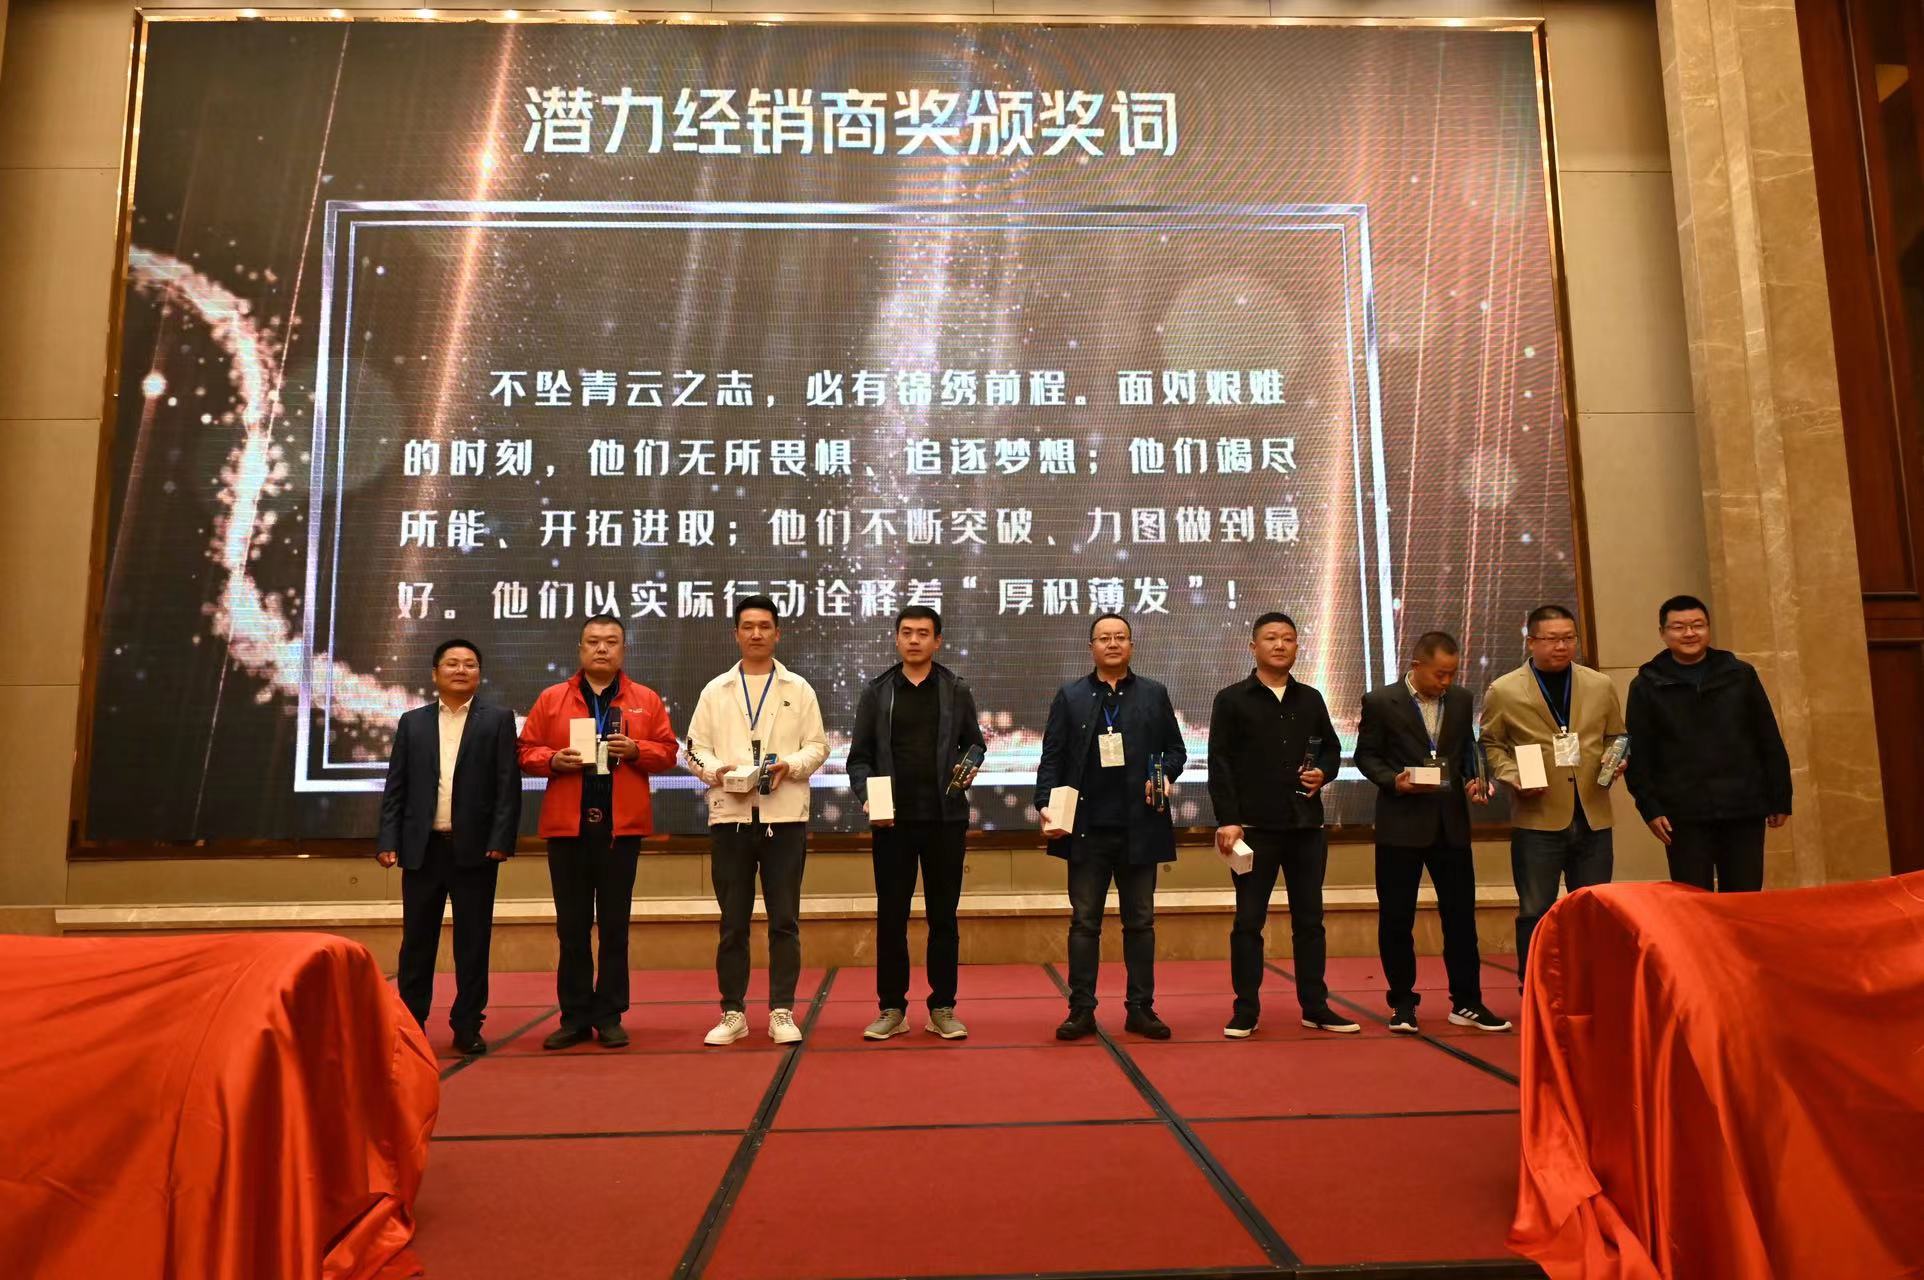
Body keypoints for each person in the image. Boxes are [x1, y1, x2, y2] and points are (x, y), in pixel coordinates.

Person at [517, 614, 679, 1050]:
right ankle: (574, 1017)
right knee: (571, 928)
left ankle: (609, 1014)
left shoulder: (645, 699)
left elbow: (668, 752)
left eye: (611, 641)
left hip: (619, 829)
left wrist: (638, 750)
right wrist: (552, 760)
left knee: (614, 926)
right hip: (567, 829)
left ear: (623, 650)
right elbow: (525, 751)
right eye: (593, 641)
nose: (602, 648)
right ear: (580, 649)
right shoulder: (552, 698)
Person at [1035, 613, 1187, 1041]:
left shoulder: (1154, 694)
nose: (1113, 643)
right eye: (1105, 638)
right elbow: (1052, 756)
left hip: (1140, 827)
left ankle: (1141, 1008)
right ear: (1092, 648)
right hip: (1087, 829)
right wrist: (1044, 803)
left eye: (1121, 637)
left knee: (1140, 923)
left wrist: (1165, 774)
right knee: (1085, 923)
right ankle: (1081, 1010)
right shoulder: (1071, 696)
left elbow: (1176, 750)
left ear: (1132, 646)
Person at [685, 595, 829, 1047]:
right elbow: (694, 749)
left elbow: (818, 746)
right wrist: (717, 772)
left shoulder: (798, 688)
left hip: (784, 819)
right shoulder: (715, 690)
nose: (756, 633)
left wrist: (790, 765)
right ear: (736, 634)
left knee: (784, 920)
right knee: (733, 922)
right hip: (730, 819)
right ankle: (733, 1012)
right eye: (748, 626)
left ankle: (782, 1010)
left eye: (765, 626)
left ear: (777, 633)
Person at [1207, 612, 1360, 1037]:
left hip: (1305, 827)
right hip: (1253, 830)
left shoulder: (1310, 698)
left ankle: (1315, 1006)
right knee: (1248, 922)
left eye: (1288, 639)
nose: (1280, 645)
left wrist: (1324, 772)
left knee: (1309, 921)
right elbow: (1220, 763)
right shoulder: (1231, 699)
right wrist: (1228, 820)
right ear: (1253, 647)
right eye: (1271, 638)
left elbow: (1331, 749)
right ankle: (1245, 1009)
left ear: (1297, 647)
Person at [1354, 631, 1509, 1035]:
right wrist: (1393, 780)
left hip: (1450, 825)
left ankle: (1467, 1001)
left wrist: (1476, 779)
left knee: (1460, 917)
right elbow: (1366, 756)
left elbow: (1467, 750)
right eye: (1440, 674)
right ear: (1416, 665)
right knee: (1397, 918)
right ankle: (1403, 1003)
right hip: (1400, 824)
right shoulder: (1380, 701)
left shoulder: (1460, 700)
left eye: (1452, 673)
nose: (1446, 681)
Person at [846, 605, 988, 1041]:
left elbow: (975, 745)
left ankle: (943, 1007)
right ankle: (891, 1008)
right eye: (906, 632)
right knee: (892, 918)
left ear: (937, 641)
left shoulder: (955, 689)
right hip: (893, 825)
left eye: (923, 633)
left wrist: (969, 766)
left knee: (943, 918)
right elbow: (859, 759)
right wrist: (867, 796)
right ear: (896, 638)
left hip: (945, 821)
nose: (913, 640)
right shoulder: (877, 692)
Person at [377, 639, 521, 1056]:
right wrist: (388, 840)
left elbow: (507, 788)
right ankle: (411, 1024)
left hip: (475, 851)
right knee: (416, 944)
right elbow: (396, 787)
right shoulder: (413, 722)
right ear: (435, 673)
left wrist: (500, 841)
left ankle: (468, 1025)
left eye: (470, 664)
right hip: (422, 849)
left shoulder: (497, 720)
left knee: (473, 944)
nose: (461, 670)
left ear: (480, 674)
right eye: (452, 664)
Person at [1479, 605, 1625, 974]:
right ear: (1531, 642)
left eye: (1568, 638)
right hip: (1537, 817)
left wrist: (1616, 759)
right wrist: (1512, 776)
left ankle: (1590, 984)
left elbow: (1617, 736)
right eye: (1552, 639)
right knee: (1535, 910)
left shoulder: (1599, 684)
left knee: (1592, 908)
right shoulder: (1505, 690)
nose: (1561, 646)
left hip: (1592, 814)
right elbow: (1491, 744)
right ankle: (1535, 985)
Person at [1625, 594, 1792, 892]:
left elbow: (1767, 737)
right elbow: (1639, 753)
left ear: (1708, 629)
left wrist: (1780, 797)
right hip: (1682, 813)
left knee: (1743, 899)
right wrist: (1649, 807)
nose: (1689, 633)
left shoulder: (1740, 674)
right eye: (1679, 627)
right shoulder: (1647, 684)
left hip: (1743, 807)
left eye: (1697, 625)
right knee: (1692, 901)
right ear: (1663, 633)